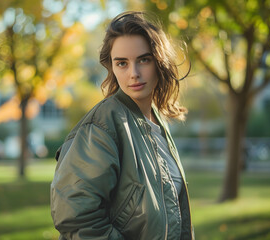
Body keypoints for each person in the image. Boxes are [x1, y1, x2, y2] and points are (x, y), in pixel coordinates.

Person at [51, 11, 194, 240]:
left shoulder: (156, 121)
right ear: (112, 68)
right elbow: (77, 217)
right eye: (122, 63)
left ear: (159, 61)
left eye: (143, 60)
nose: (134, 74)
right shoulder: (102, 125)